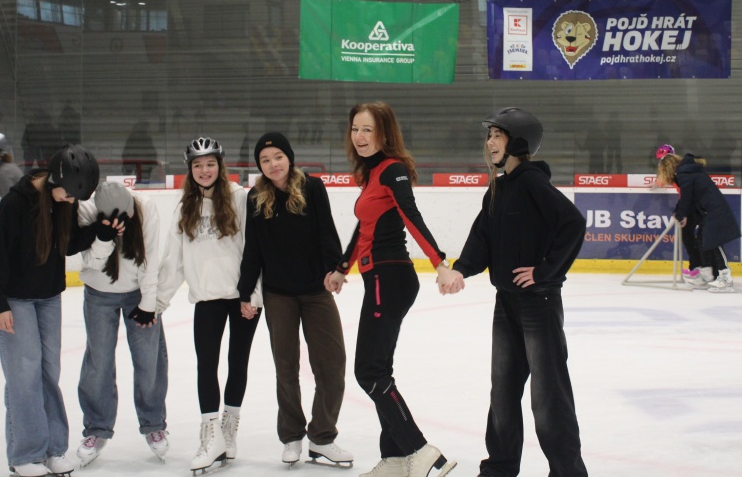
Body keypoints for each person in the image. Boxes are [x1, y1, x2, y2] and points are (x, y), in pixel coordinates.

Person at [440, 107, 588, 477]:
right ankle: (500, 468)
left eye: (498, 135)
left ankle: (568, 472)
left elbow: (572, 223)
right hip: (506, 304)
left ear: (518, 142)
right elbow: (482, 239)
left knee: (548, 396)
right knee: (503, 392)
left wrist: (544, 271)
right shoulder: (499, 187)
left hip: (538, 304)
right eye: (489, 135)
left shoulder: (532, 183)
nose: (490, 142)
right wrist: (460, 270)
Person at [324, 102, 457, 477]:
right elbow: (364, 229)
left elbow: (411, 216)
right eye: (355, 129)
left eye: (368, 129)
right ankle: (396, 459)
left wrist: (440, 262)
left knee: (369, 371)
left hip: (390, 277)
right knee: (379, 370)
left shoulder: (391, 169)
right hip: (379, 277)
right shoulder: (370, 173)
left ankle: (420, 451)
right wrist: (342, 268)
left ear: (384, 133)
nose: (359, 136)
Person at [0, 144, 101, 477]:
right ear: (57, 179)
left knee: (48, 374)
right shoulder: (15, 204)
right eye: (70, 194)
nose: (72, 201)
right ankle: (25, 455)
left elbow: (68, 243)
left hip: (48, 299)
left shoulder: (60, 203)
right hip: (15, 301)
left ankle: (52, 450)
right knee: (24, 377)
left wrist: (100, 230)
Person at [237, 132, 353, 468]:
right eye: (265, 160)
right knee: (285, 368)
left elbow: (327, 232)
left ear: (289, 157)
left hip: (316, 291)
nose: (273, 164)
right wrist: (245, 292)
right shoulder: (256, 197)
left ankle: (322, 437)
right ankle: (291, 436)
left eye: (278, 157)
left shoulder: (312, 187)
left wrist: (337, 269)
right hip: (279, 295)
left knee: (332, 365)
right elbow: (253, 249)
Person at [156, 137, 262, 474]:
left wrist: (253, 295)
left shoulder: (239, 198)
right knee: (206, 365)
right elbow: (173, 261)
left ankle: (228, 432)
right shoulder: (184, 207)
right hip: (207, 299)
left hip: (242, 297)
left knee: (237, 363)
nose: (205, 170)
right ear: (190, 169)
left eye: (210, 164)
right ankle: (210, 434)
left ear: (220, 165)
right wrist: (157, 302)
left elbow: (255, 250)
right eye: (198, 165)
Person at [75, 182, 170, 467]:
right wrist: (103, 238)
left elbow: (150, 258)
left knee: (149, 359)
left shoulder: (145, 206)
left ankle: (153, 424)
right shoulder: (86, 210)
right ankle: (96, 428)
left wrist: (148, 303)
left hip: (138, 293)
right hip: (98, 294)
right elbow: (91, 263)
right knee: (99, 362)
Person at [656, 151, 741, 292]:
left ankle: (725, 277)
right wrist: (682, 214)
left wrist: (680, 215)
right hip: (708, 210)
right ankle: (706, 276)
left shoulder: (684, 174)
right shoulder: (690, 171)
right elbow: (691, 197)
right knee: (703, 239)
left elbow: (687, 197)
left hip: (713, 210)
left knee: (714, 242)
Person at [654, 143, 703, 275]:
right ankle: (698, 266)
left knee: (688, 235)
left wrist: (682, 212)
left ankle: (698, 267)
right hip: (691, 205)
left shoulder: (680, 173)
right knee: (689, 235)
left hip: (693, 205)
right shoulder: (679, 171)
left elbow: (687, 195)